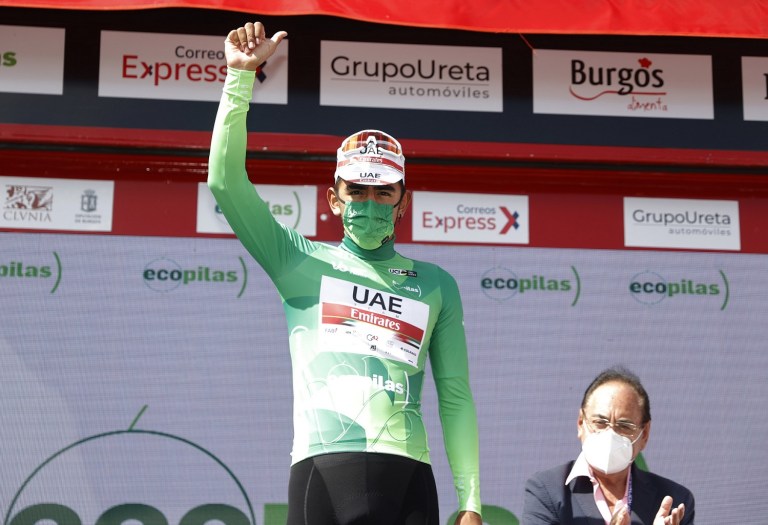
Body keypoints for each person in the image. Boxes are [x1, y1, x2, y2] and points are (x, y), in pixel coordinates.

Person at [207, 21, 482, 525]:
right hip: (323, 474)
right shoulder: (298, 261)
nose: (369, 203)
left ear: (402, 202)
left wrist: (471, 501)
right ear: (334, 199)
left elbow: (456, 396)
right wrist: (240, 79)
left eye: (383, 192)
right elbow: (225, 182)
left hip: (409, 479)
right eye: (356, 190)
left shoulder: (436, 284)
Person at [522, 366, 694, 525]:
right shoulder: (547, 491)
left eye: (624, 426)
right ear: (581, 423)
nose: (610, 435)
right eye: (600, 422)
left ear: (645, 434)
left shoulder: (675, 500)